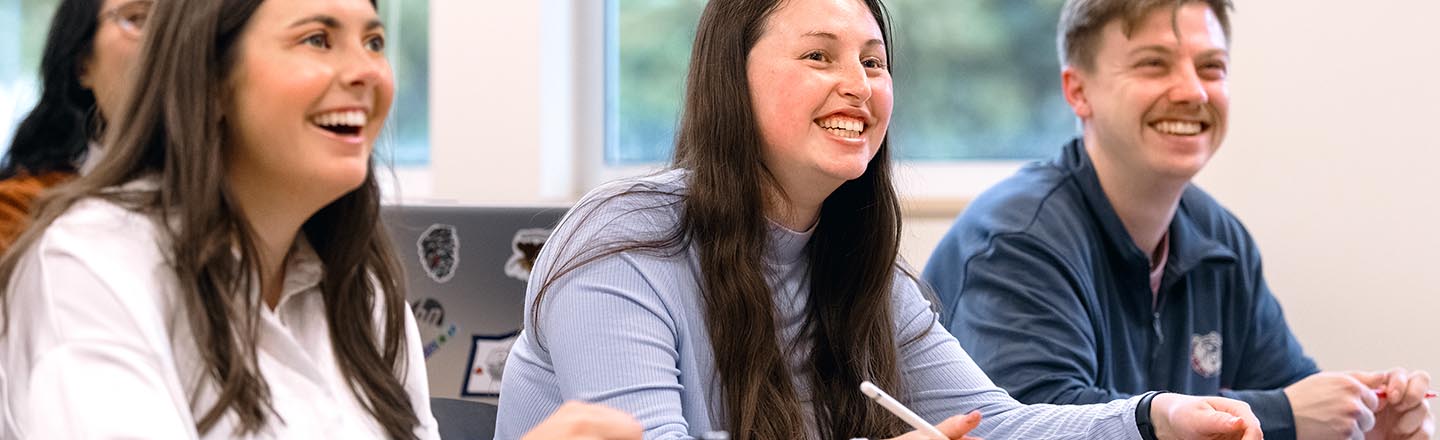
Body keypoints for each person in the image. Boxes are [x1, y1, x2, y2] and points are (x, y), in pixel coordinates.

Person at [495, 0, 1263, 439]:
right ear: (732, 79)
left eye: (872, 61)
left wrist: (1151, 419)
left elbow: (990, 425)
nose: (857, 85)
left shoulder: (859, 268)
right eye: (819, 57)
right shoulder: (622, 242)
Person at [0, 0, 641, 438]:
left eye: (374, 40)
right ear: (211, 80)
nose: (367, 71)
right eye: (317, 38)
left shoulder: (360, 288)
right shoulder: (90, 265)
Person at [921, 1, 1434, 439]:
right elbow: (1031, 426)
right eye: (1153, 64)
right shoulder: (1017, 240)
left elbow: (1298, 396)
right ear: (1078, 92)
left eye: (1211, 67)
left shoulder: (1220, 239)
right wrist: (1285, 416)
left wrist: (1362, 420)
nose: (1193, 91)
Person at [0, 0, 150, 251]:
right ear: (83, 64)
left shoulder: (223, 198)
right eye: (138, 19)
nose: (167, 40)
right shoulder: (20, 212)